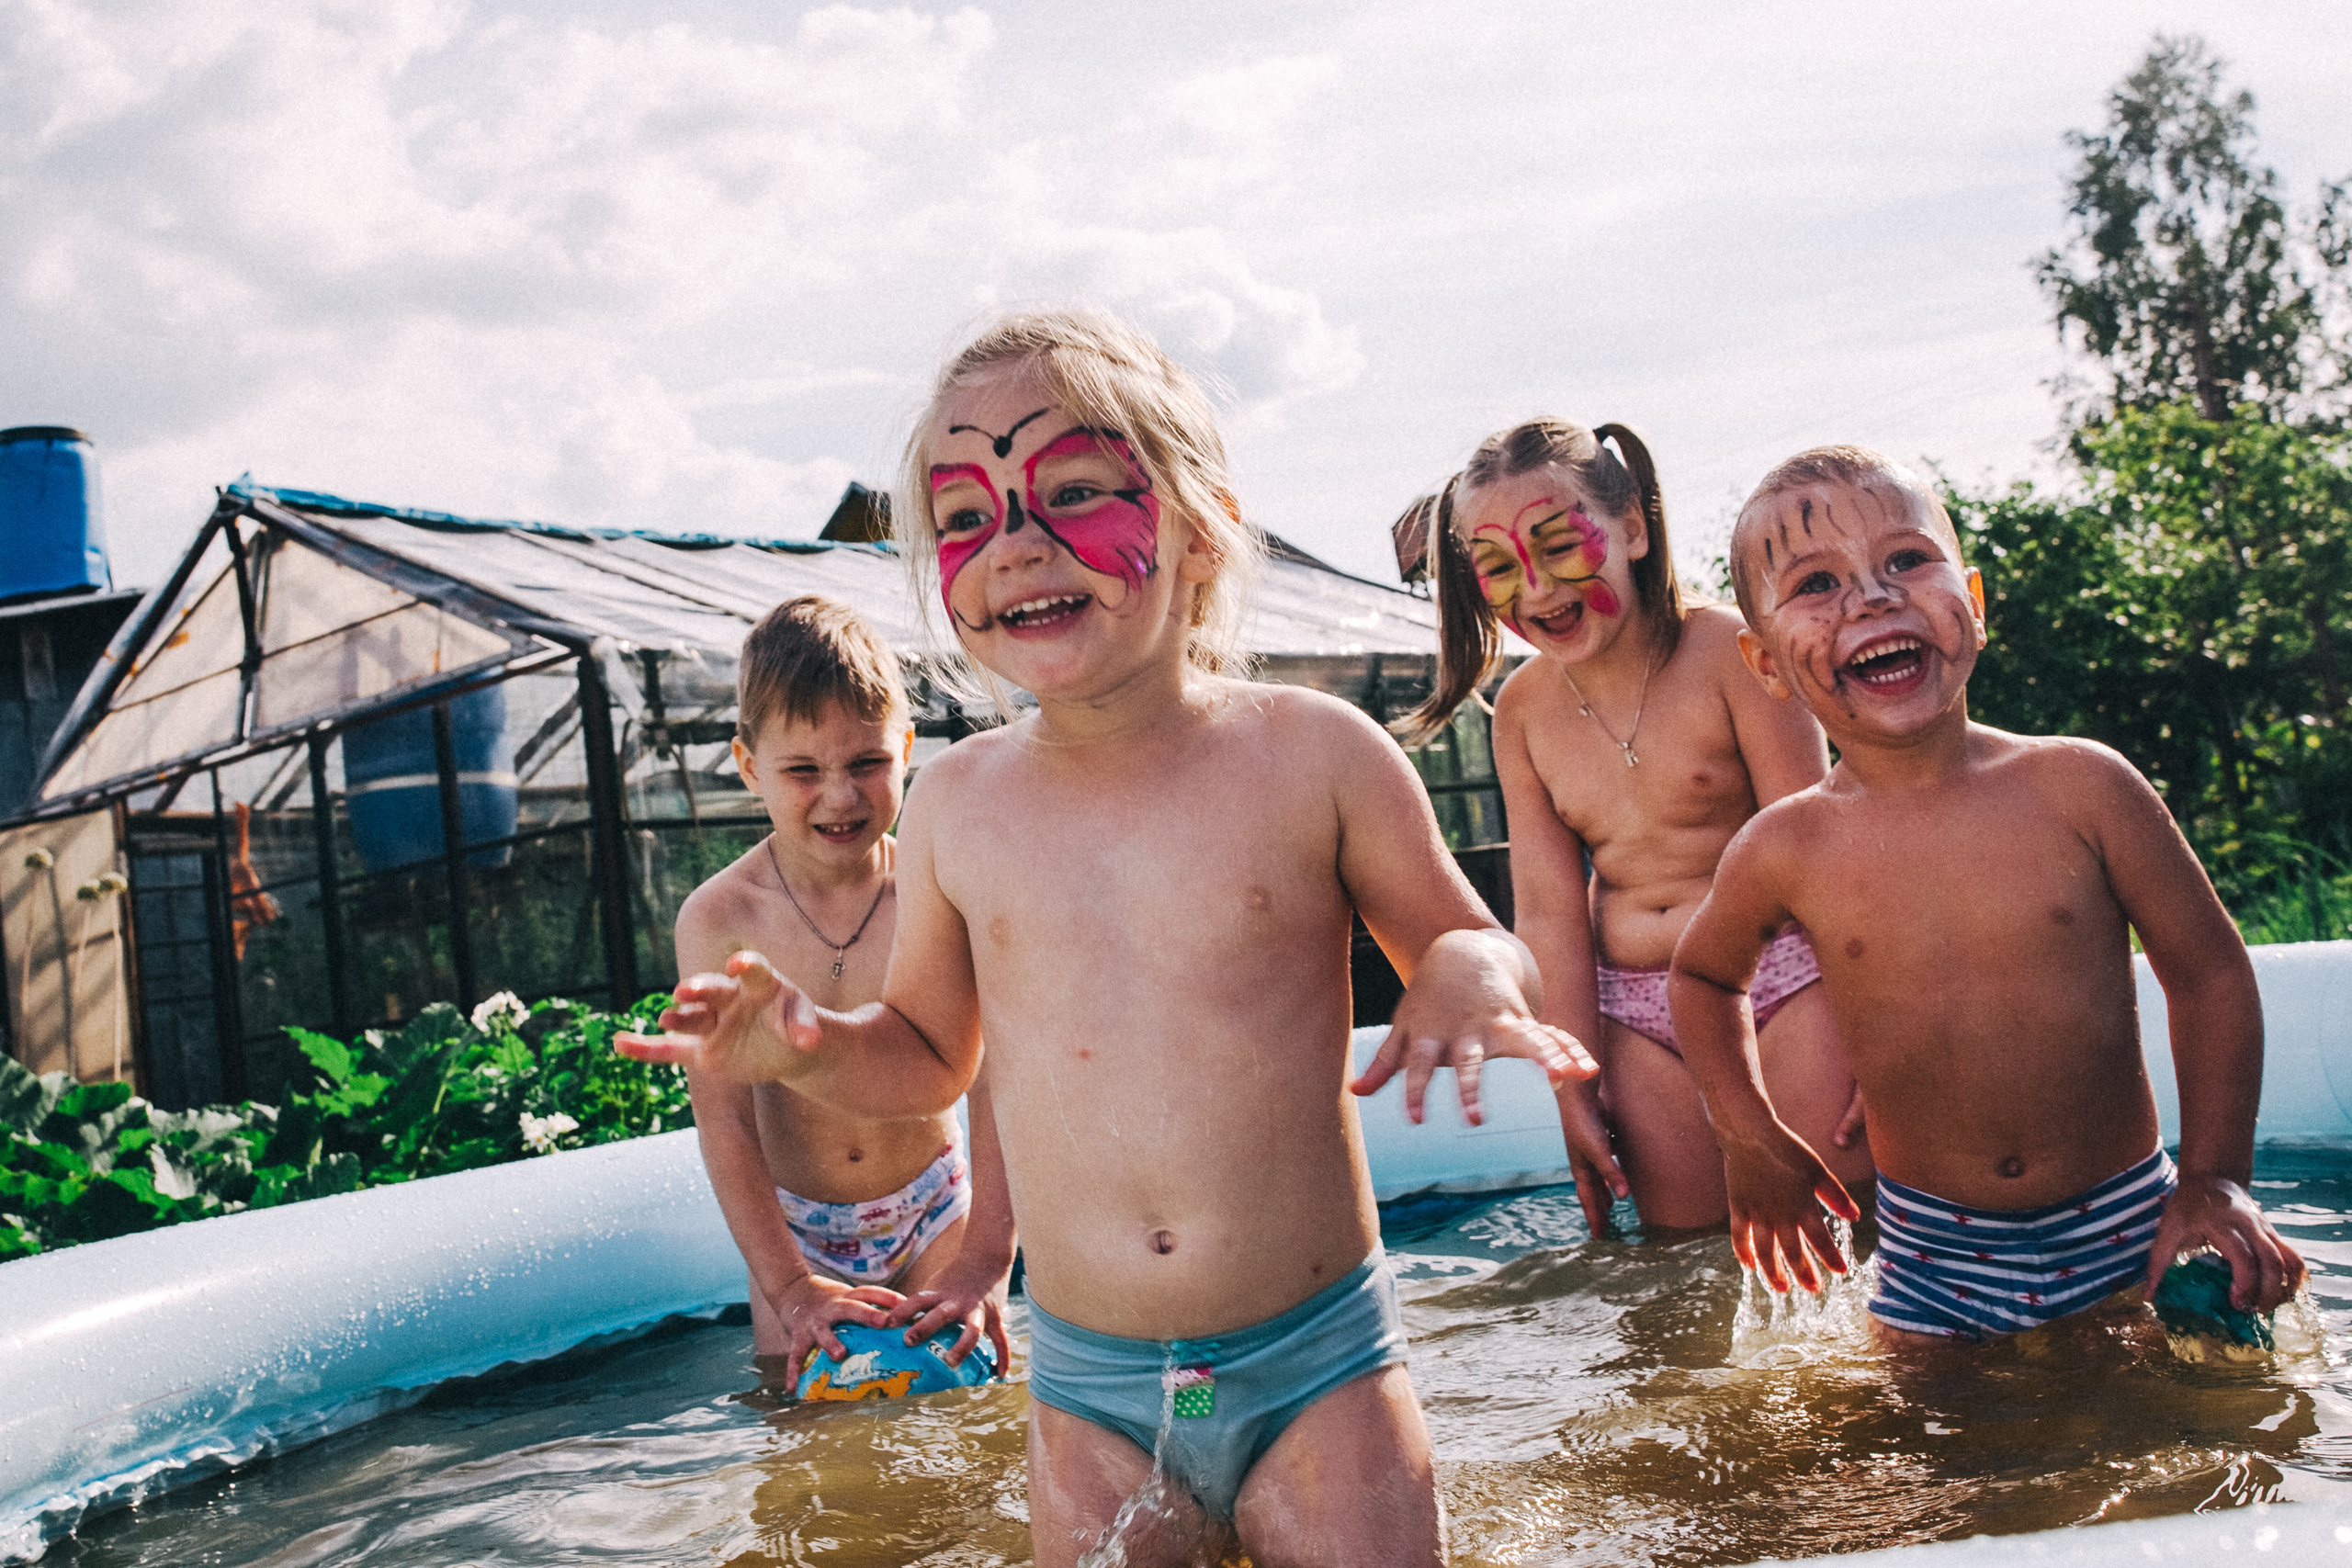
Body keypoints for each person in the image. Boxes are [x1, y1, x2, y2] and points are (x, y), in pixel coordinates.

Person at [620, 309, 1589, 1567]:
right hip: (1095, 1395)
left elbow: (1472, 935)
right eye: (967, 516)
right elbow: (925, 1054)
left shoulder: (1312, 754)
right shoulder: (962, 801)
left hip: (1315, 1361)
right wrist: (805, 1042)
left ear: (1199, 527)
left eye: (1071, 491)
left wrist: (1466, 975)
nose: (1015, 545)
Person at [1668, 445, 2306, 1344]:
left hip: (2130, 1225)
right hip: (1932, 1259)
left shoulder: (2082, 787)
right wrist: (1747, 1135)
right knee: (1939, 1479)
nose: (1872, 596)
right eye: (1816, 584)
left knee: (2212, 1449)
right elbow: (1700, 980)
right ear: (1765, 664)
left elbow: (2206, 971)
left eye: (1905, 560)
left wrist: (2213, 1180)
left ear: (1971, 601)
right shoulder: (1785, 845)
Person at [1397, 421, 1871, 1235]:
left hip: (1782, 983)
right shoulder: (1522, 713)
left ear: (1633, 529)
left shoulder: (1728, 650)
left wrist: (1876, 1023)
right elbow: (1549, 911)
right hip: (1635, 1015)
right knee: (1679, 1259)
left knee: (1842, 1234)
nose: (1539, 589)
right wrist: (1571, 1084)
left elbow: (1820, 844)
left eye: (1559, 547)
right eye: (1501, 567)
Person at [671, 594, 1012, 1388]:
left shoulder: (934, 894)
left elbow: (999, 1083)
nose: (840, 796)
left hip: (933, 1203)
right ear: (750, 765)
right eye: (802, 770)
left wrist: (989, 1255)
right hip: (797, 1230)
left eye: (867, 763)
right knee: (798, 1435)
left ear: (906, 748)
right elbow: (725, 1122)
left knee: (974, 1402)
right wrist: (790, 1285)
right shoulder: (719, 920)